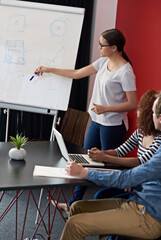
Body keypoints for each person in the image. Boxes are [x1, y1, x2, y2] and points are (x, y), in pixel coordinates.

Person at [35, 28, 137, 213]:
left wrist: (107, 108)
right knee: (84, 161)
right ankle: (74, 204)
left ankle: (113, 206)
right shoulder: (103, 62)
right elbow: (76, 73)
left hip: (113, 125)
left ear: (114, 48)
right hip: (97, 121)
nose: (99, 47)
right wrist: (49, 69)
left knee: (110, 167)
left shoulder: (125, 71)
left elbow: (132, 103)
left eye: (102, 45)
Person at [60, 92, 161, 240]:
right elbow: (134, 170)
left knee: (75, 224)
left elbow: (128, 177)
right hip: (137, 202)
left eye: (152, 112)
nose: (149, 115)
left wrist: (85, 173)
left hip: (148, 217)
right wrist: (102, 155)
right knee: (77, 207)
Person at [88, 89, 161, 199]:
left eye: (140, 109)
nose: (137, 112)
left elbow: (140, 162)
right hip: (136, 181)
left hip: (146, 188)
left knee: (102, 197)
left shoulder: (159, 140)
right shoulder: (141, 132)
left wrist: (105, 157)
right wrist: (101, 153)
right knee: (100, 195)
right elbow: (120, 151)